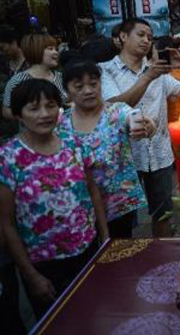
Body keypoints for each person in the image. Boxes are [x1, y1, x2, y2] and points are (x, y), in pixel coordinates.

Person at [0, 79, 108, 318]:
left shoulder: (74, 144)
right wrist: (31, 275)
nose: (44, 114)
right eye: (33, 108)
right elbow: (6, 223)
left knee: (96, 314)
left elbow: (93, 192)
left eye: (50, 106)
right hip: (45, 265)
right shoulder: (8, 159)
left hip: (87, 250)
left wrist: (105, 237)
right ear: (19, 114)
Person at [99, 18, 180, 237]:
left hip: (159, 153)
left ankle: (162, 260)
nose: (146, 40)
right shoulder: (106, 71)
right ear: (123, 37)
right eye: (141, 34)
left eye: (150, 37)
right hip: (123, 157)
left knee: (163, 214)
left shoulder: (157, 72)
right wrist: (148, 76)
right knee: (122, 222)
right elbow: (114, 106)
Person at [60, 60, 155, 238]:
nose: (88, 90)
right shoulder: (60, 123)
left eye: (93, 84)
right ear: (67, 91)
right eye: (79, 86)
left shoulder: (116, 112)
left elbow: (134, 116)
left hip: (118, 203)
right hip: (80, 206)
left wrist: (146, 124)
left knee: (118, 251)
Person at [2, 33, 67, 120]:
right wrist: (31, 116)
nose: (56, 52)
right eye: (50, 49)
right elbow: (6, 111)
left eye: (56, 49)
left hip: (62, 131)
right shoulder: (18, 80)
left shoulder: (61, 77)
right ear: (36, 50)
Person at [0, 26, 28, 142]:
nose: (1, 52)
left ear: (13, 42)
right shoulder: (3, 68)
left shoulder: (32, 63)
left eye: (2, 48)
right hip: (12, 130)